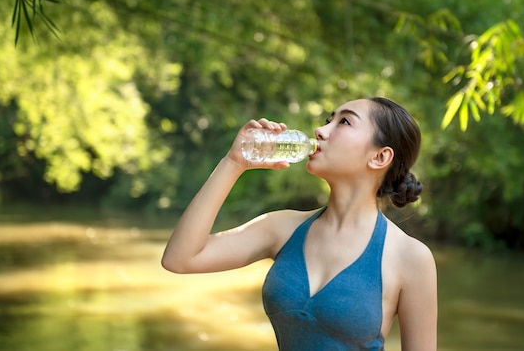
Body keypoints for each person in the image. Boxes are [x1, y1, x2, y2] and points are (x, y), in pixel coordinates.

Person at [162, 97, 438, 351]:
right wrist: (233, 162)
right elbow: (180, 258)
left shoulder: (410, 258)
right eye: (328, 119)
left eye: (343, 121)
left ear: (379, 157)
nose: (321, 130)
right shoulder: (281, 228)